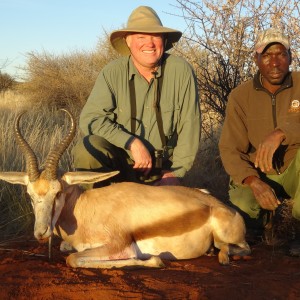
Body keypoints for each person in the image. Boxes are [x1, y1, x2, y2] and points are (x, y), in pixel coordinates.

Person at [73, 6, 200, 187]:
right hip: (122, 163)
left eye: (155, 36)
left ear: (164, 40)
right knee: (87, 148)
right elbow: (91, 119)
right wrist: (132, 143)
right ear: (128, 41)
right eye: (141, 37)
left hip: (161, 168)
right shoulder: (112, 72)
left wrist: (176, 173)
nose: (149, 43)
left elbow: (190, 126)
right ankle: (97, 205)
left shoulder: (181, 71)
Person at [219, 27, 300, 252]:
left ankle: (297, 224)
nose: (275, 63)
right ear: (256, 59)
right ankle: (266, 223)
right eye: (267, 55)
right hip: (259, 171)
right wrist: (253, 181)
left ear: (291, 57)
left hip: (295, 168)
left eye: (281, 54)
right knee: (243, 208)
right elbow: (229, 148)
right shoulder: (240, 96)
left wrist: (282, 132)